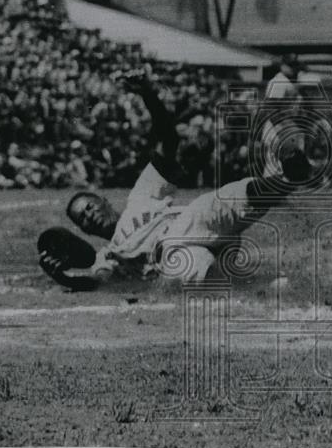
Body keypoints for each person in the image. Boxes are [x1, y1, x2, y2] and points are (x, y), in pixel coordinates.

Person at [37, 69, 313, 291]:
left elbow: (169, 141)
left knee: (209, 204)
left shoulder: (140, 196)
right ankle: (259, 288)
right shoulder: (106, 256)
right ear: (85, 232)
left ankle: (286, 175)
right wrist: (66, 279)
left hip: (193, 224)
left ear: (103, 200)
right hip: (176, 258)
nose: (89, 215)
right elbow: (98, 282)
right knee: (182, 265)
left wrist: (148, 94)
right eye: (83, 219)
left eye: (89, 207)